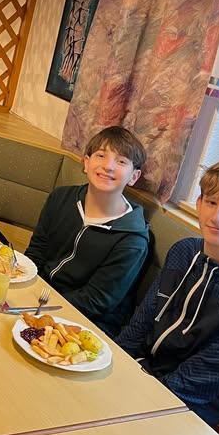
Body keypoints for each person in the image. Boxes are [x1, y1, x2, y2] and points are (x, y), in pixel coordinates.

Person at [117, 160, 219, 426]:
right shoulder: (184, 251)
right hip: (138, 373)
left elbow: (197, 383)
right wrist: (114, 365)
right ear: (199, 203)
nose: (217, 217)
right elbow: (141, 322)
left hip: (186, 408)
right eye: (211, 202)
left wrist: (128, 397)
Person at [25, 126, 150, 337]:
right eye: (101, 155)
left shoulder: (132, 239)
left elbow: (96, 301)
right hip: (40, 299)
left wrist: (39, 307)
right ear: (86, 162)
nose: (108, 166)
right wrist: (25, 292)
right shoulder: (61, 198)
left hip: (88, 323)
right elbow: (36, 253)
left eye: (121, 161)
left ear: (134, 176)